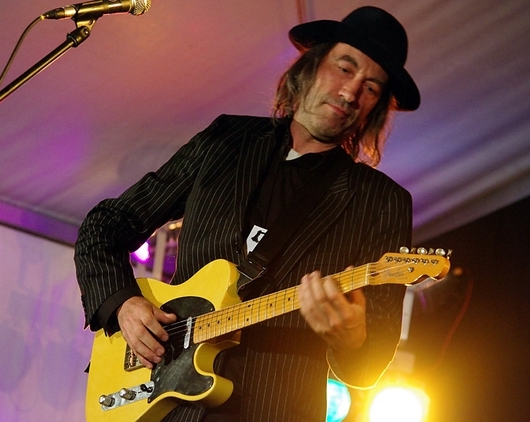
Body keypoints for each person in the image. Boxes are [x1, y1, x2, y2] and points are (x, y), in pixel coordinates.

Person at [74, 6, 420, 421]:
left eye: (371, 88)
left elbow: (371, 364)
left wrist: (351, 339)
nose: (350, 92)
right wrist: (124, 304)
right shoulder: (226, 140)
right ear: (311, 65)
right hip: (165, 405)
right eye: (344, 68)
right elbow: (104, 226)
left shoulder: (381, 202)